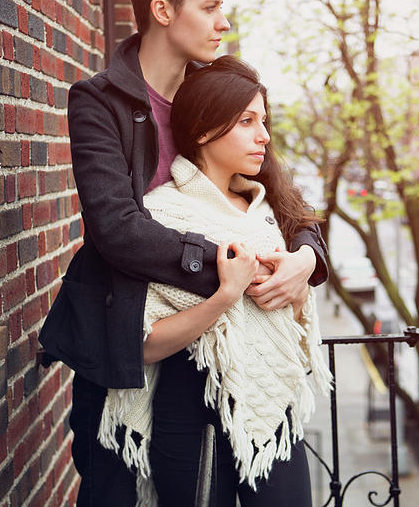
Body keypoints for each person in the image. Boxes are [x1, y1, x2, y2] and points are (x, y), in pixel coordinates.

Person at [37, 0, 329, 506]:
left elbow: (284, 200)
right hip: (126, 339)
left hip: (212, 366)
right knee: (115, 492)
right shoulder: (100, 102)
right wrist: (228, 272)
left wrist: (304, 259)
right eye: (211, 6)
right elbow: (116, 229)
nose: (224, 23)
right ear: (164, 11)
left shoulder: (213, 94)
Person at [98, 55, 332, 506]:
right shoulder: (162, 215)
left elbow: (297, 306)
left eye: (264, 121)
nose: (264, 135)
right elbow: (143, 343)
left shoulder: (269, 210)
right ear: (205, 129)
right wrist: (225, 296)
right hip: (194, 420)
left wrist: (298, 280)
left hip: (274, 413)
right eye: (247, 121)